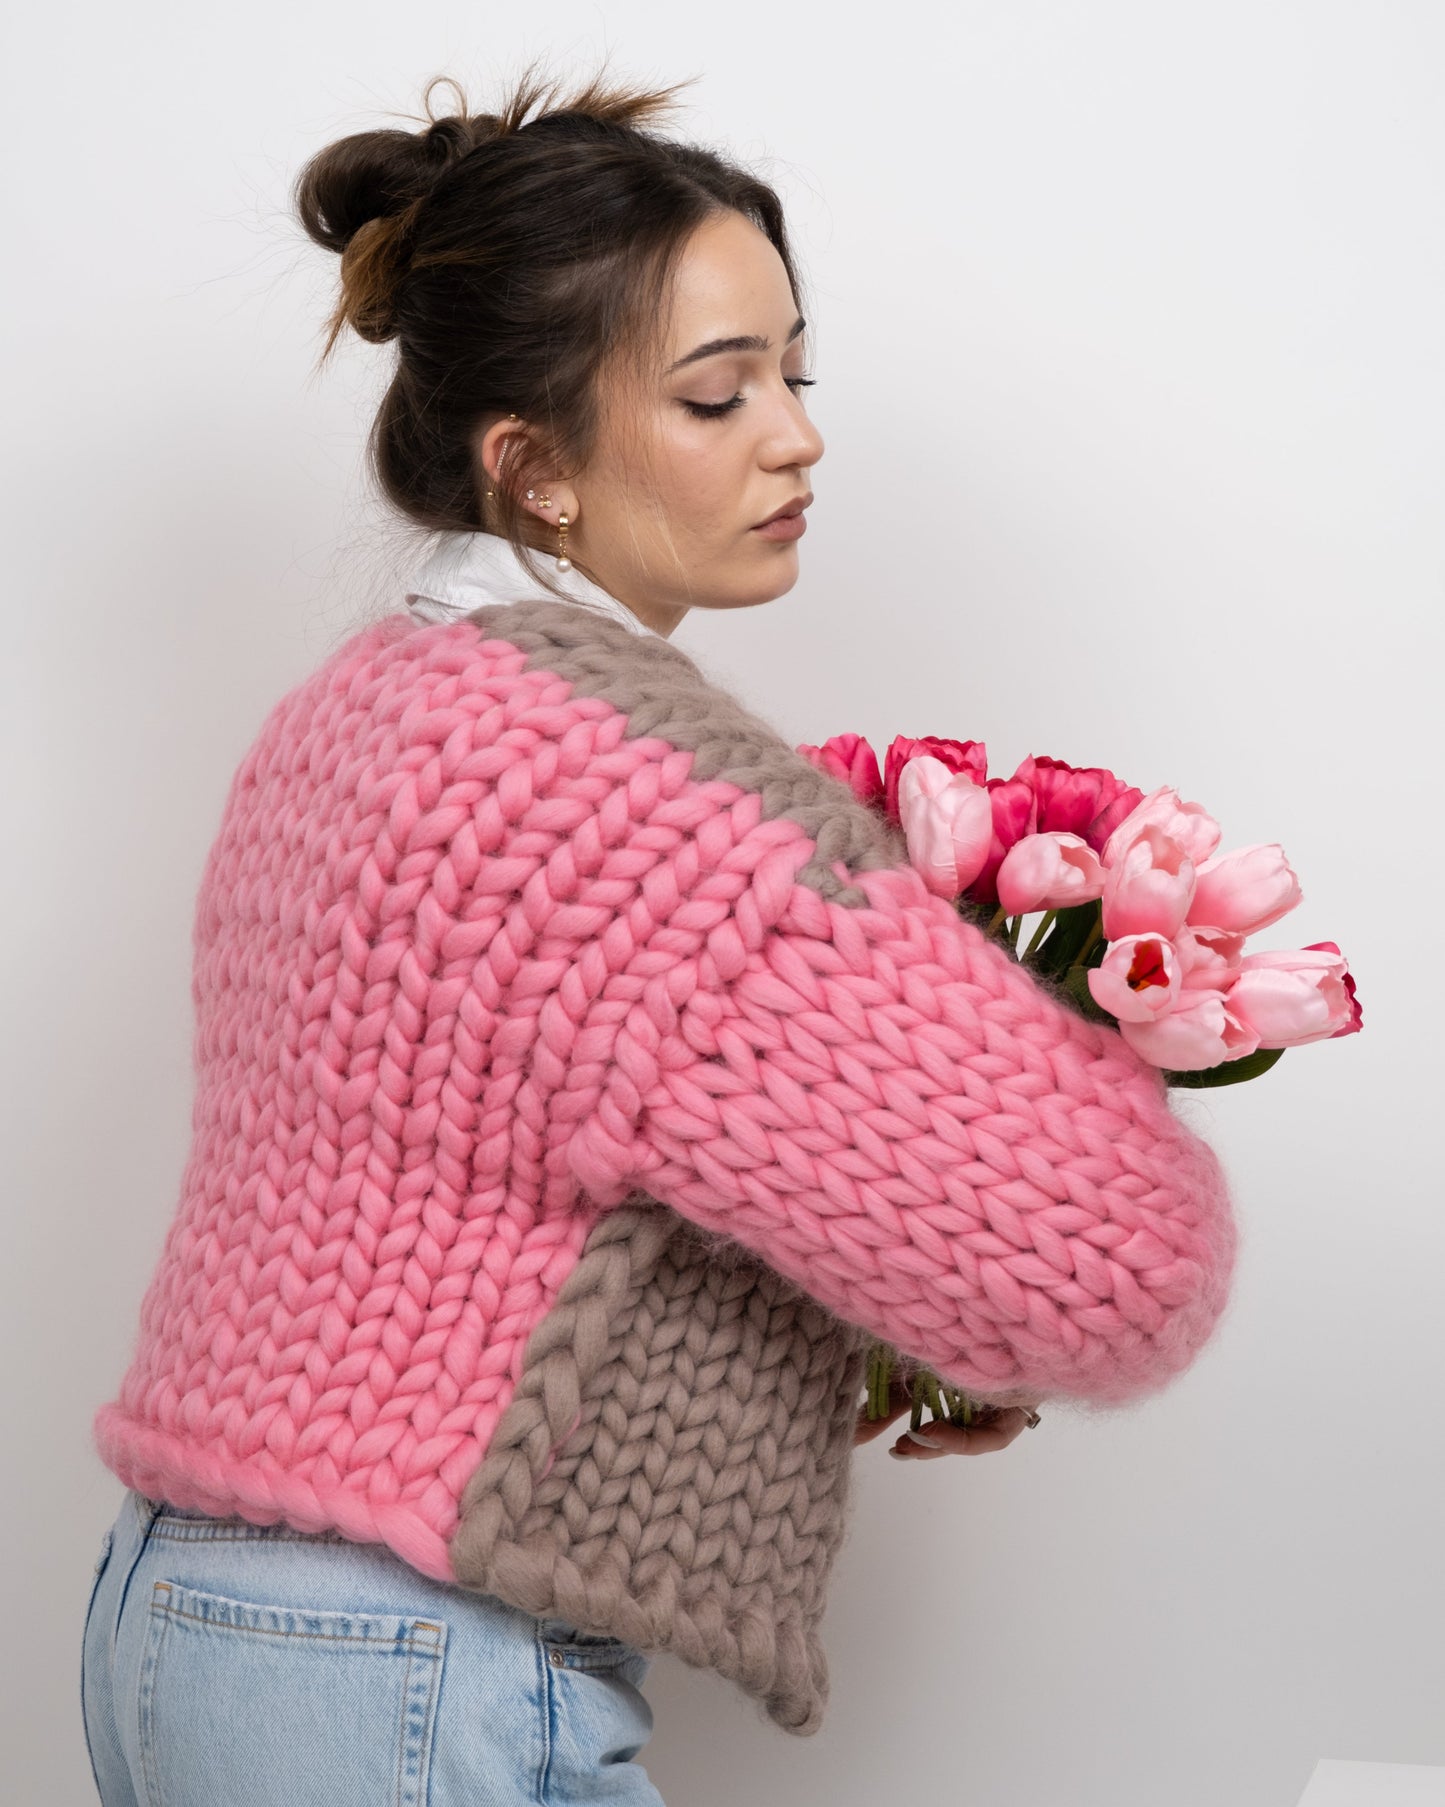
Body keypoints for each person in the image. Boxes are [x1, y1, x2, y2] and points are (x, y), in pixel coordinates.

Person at [80, 65, 1237, 1806]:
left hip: (190, 1624)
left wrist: (847, 1328)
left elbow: (480, 1208)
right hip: (402, 1675)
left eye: (794, 369)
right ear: (528, 468)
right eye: (716, 394)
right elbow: (1116, 1265)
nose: (795, 432)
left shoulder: (363, 713)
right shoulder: (609, 791)